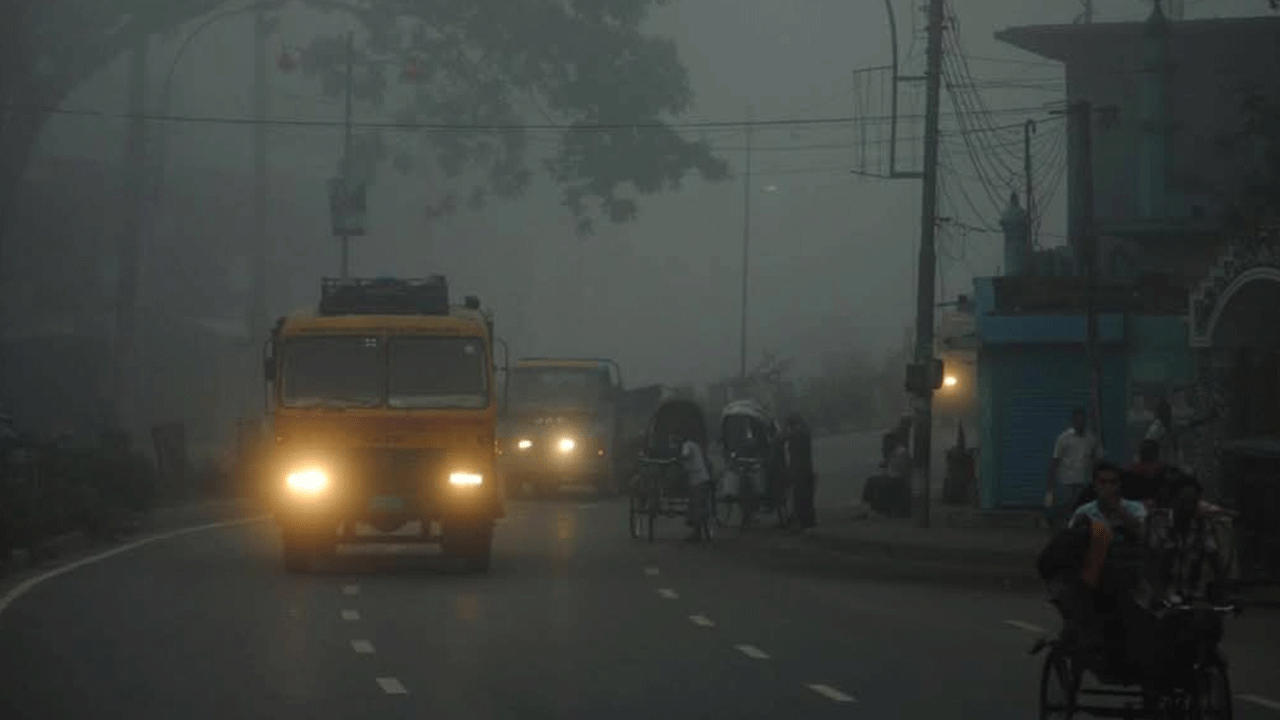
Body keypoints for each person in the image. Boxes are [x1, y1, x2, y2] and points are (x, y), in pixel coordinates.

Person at [1046, 407, 1105, 529]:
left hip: (1085, 481)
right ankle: (1067, 530)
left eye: (1082, 420)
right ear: (1073, 421)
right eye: (1077, 420)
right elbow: (1055, 460)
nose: (1079, 422)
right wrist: (1051, 485)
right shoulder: (1064, 438)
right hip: (1068, 480)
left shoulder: (1091, 438)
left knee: (1084, 508)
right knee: (1068, 507)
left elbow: (1098, 459)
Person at [676, 430, 714, 543]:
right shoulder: (695, 445)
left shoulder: (687, 445)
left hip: (698, 480)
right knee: (695, 505)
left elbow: (685, 455)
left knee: (696, 505)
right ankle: (697, 532)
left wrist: (677, 458)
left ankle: (697, 534)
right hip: (701, 479)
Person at [783, 413, 817, 530]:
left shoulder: (795, 435)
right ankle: (809, 520)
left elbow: (784, 438)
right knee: (807, 497)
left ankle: (802, 522)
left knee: (800, 497)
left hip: (798, 471)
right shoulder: (805, 433)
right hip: (808, 469)